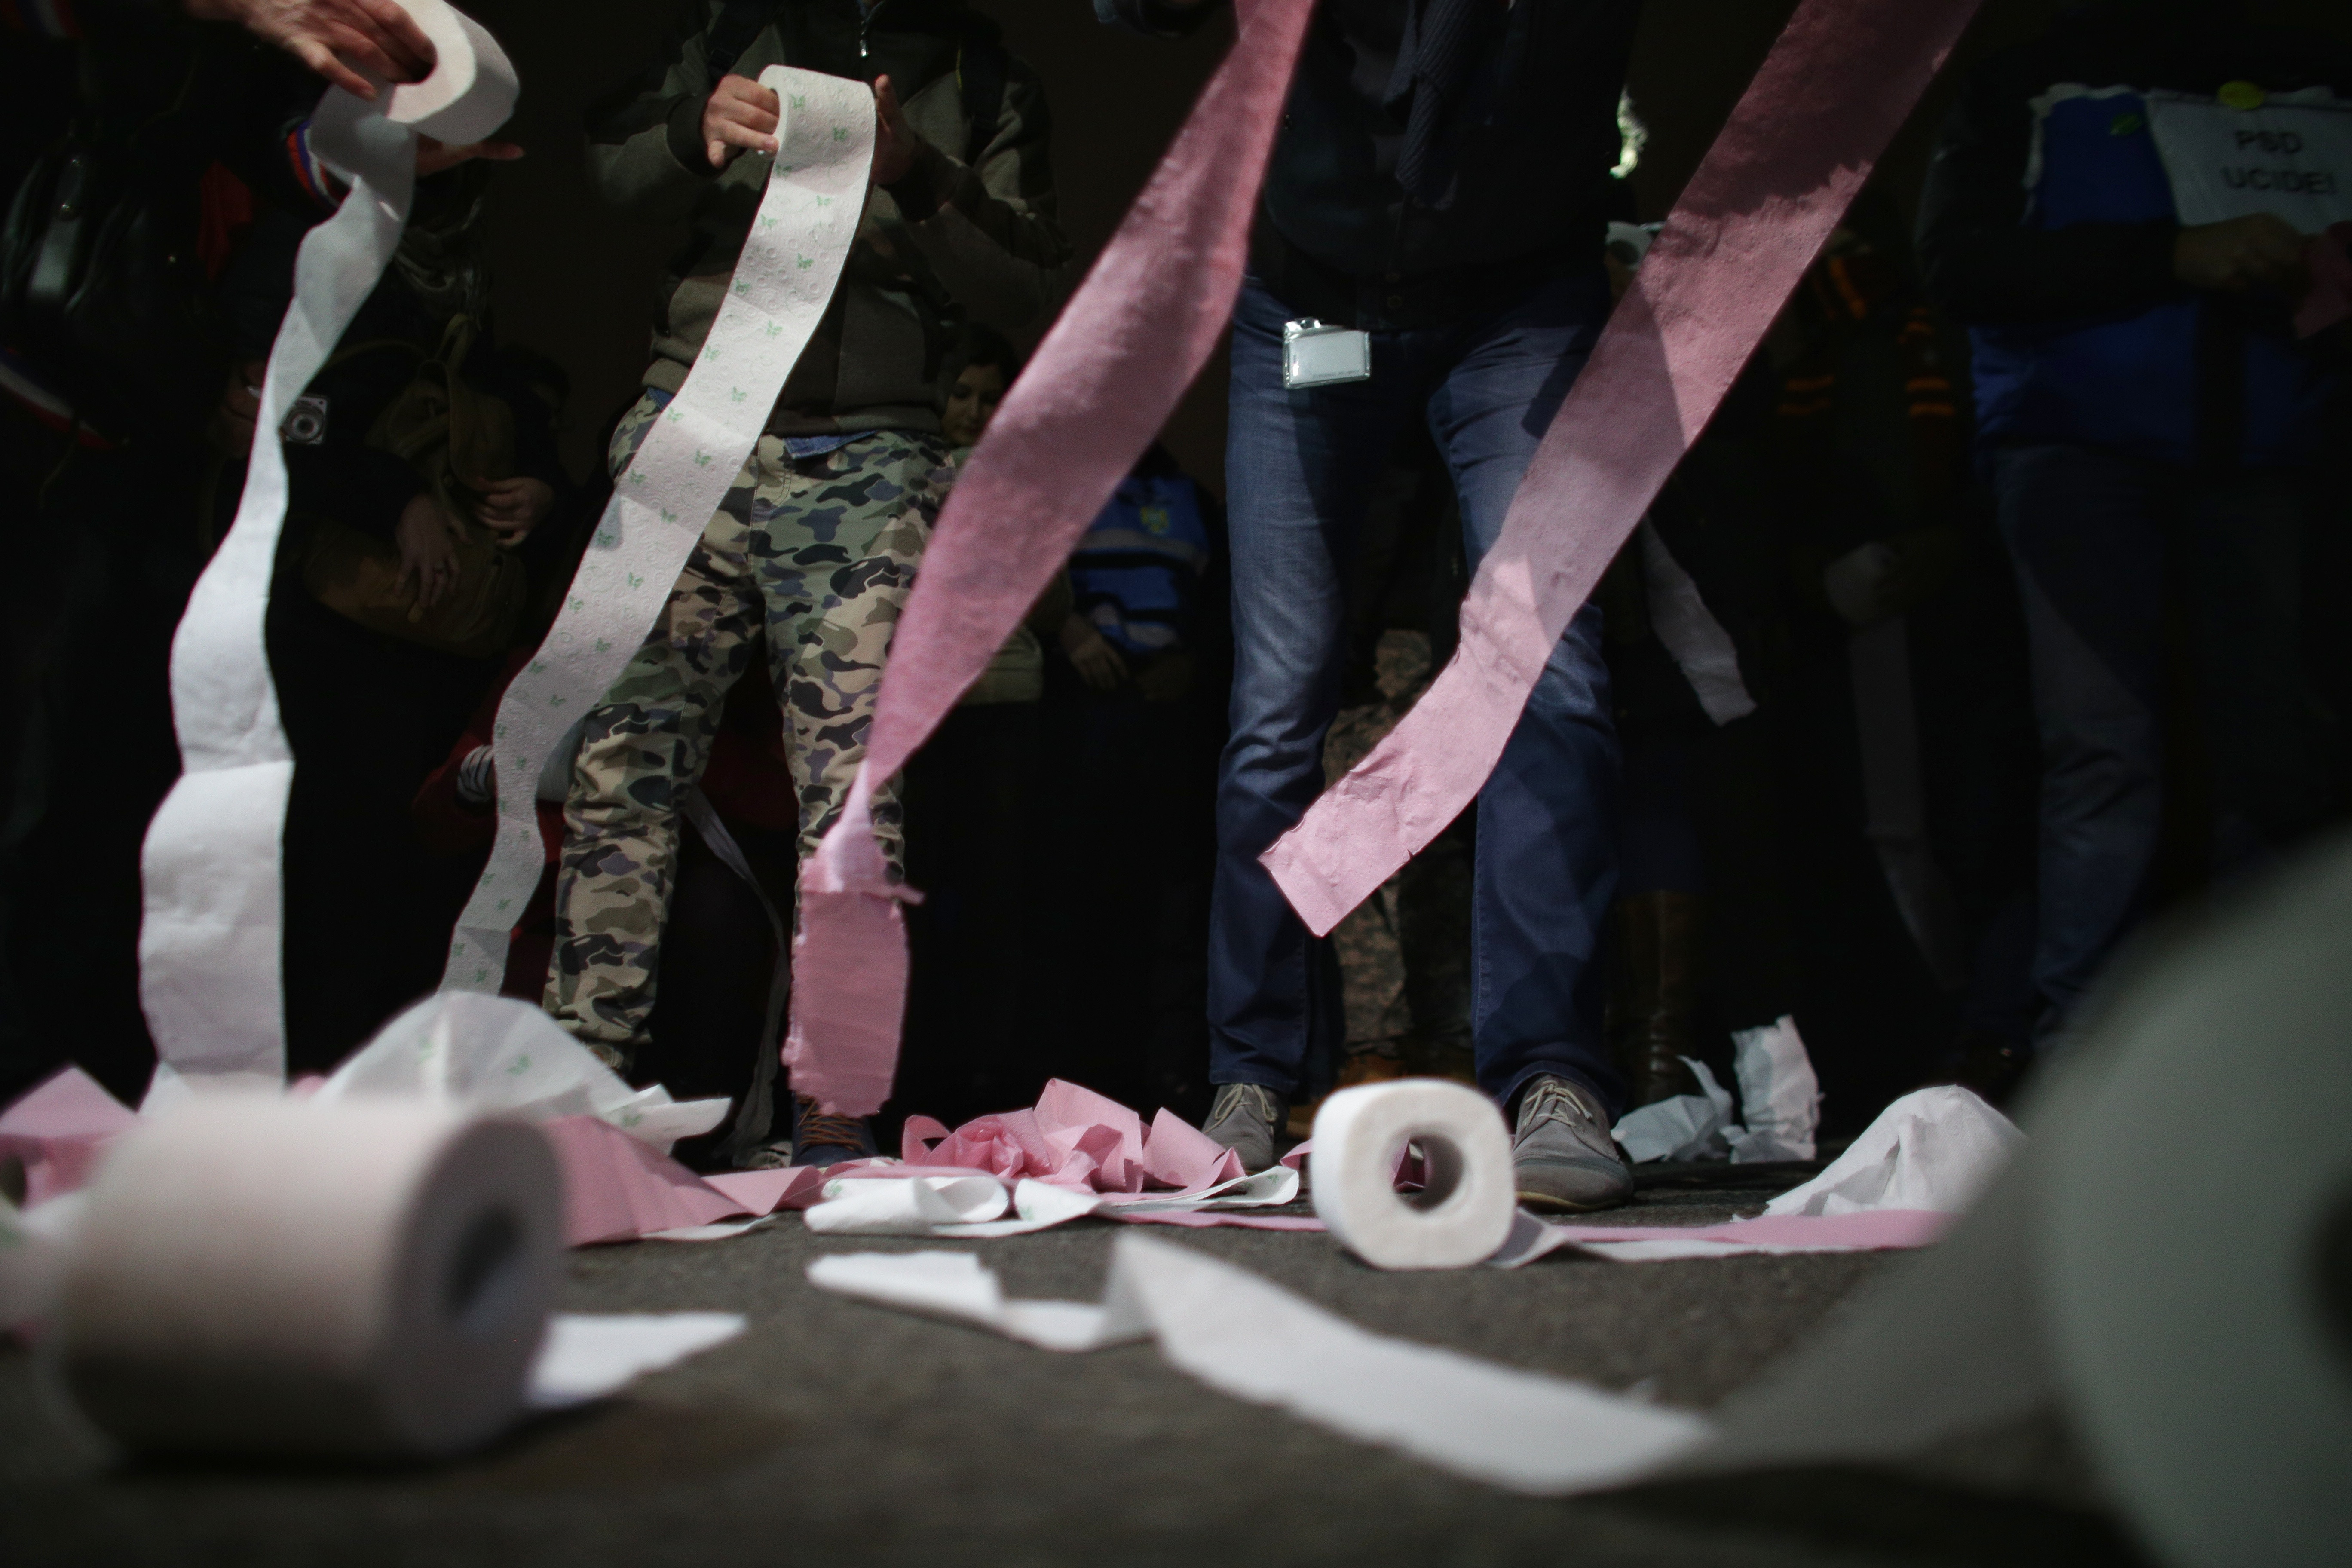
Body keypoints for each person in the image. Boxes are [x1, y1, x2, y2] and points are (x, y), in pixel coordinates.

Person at [1101, 0, 1643, 1210]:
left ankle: (1555, 1079)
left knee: (1551, 669)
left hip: (1518, 308)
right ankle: (1249, 1073)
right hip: (1315, 314)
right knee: (1278, 698)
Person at [556, 0, 1074, 1166]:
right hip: (694, 422)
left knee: (853, 797)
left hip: (868, 456)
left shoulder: (981, 77)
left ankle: (835, 1110)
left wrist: (924, 174)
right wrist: (697, 127)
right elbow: (607, 165)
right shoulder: (727, 26)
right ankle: (580, 1093)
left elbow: (1032, 284)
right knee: (621, 760)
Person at [1917, 0, 2352, 1059]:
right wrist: (2172, 256)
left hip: (2272, 453)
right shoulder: (2037, 79)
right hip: (2076, 448)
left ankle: (2268, 1050)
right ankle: (2082, 1054)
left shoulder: (2320, 75)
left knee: (2272, 754)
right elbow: (1958, 262)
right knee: (2103, 751)